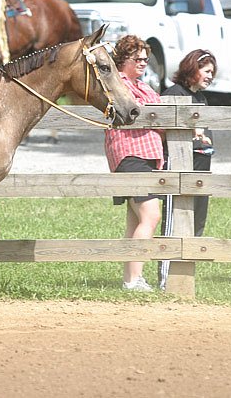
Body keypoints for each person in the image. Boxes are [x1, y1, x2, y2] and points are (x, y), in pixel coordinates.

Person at [104, 34, 164, 292]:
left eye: (145, 59)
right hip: (131, 154)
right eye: (137, 58)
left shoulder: (143, 85)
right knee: (151, 215)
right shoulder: (119, 85)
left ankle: (130, 280)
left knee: (135, 220)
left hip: (146, 155)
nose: (142, 62)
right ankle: (136, 279)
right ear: (123, 59)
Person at [158, 49, 217, 290]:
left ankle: (184, 274)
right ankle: (165, 278)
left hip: (201, 168)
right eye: (206, 71)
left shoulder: (201, 98)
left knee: (196, 221)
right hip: (179, 168)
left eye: (212, 72)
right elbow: (161, 131)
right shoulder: (174, 94)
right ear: (192, 69)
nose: (210, 76)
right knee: (175, 220)